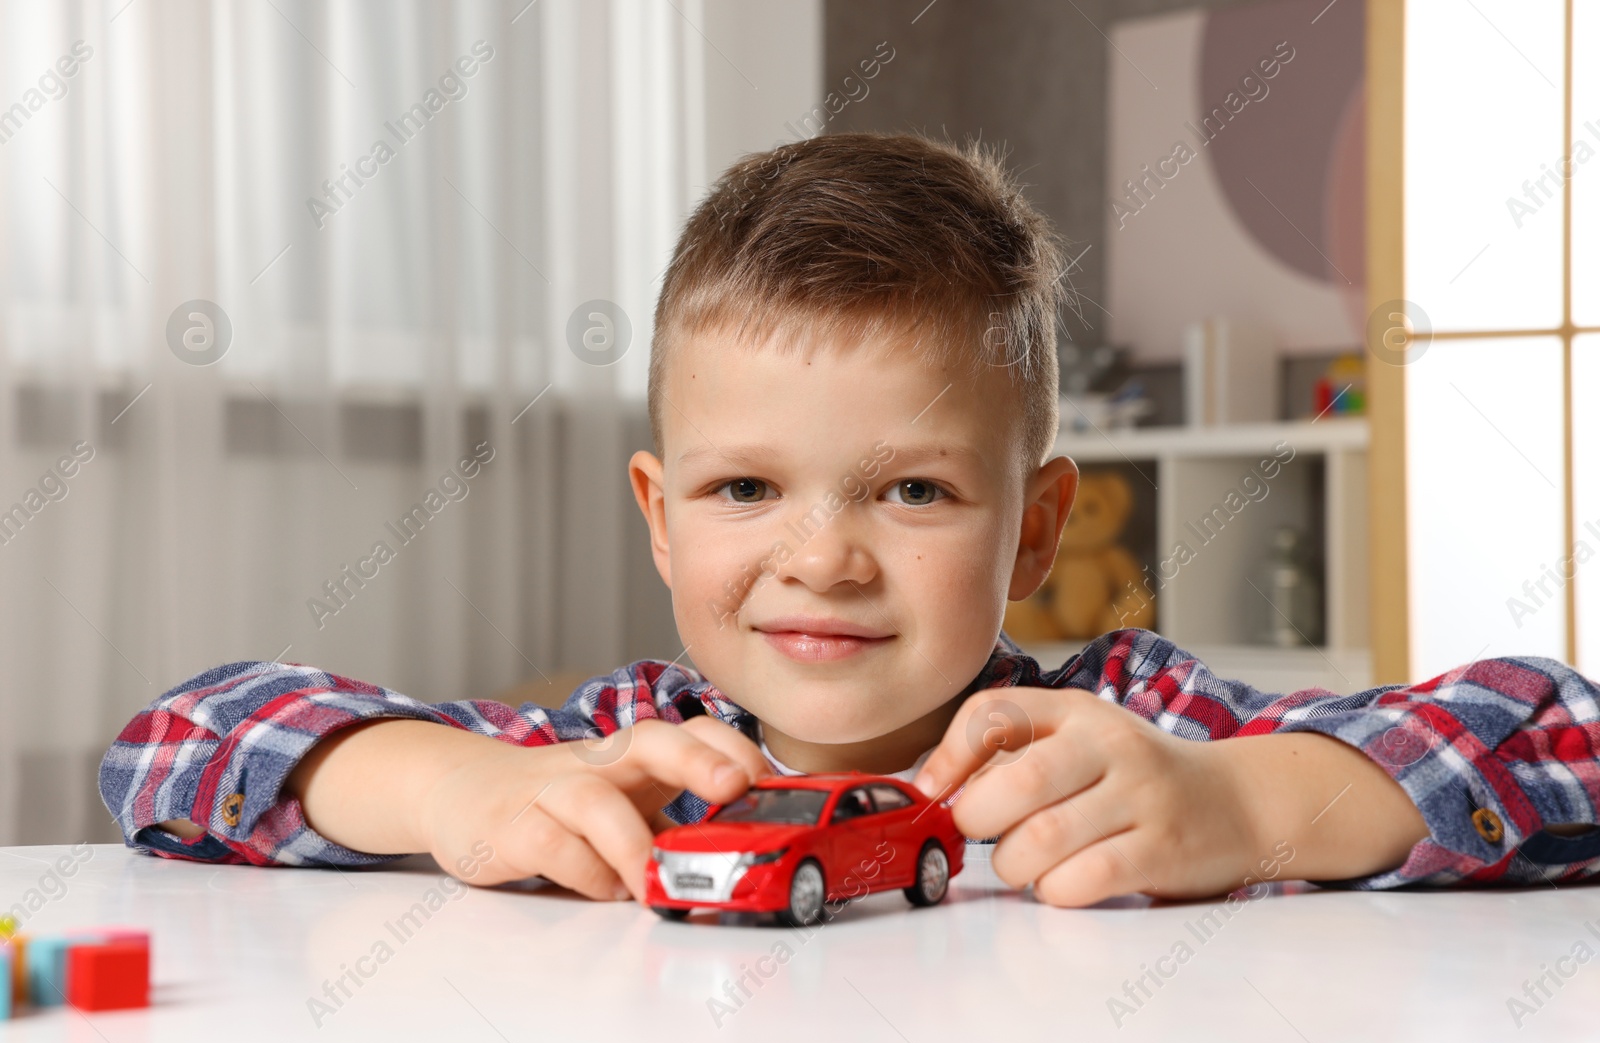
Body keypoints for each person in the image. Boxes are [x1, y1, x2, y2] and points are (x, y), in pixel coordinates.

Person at [100, 132, 1600, 908]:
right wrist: (459, 799)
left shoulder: (1139, 734)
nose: (821, 557)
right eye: (745, 489)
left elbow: (1563, 740)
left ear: (1033, 530)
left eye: (914, 490)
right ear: (660, 517)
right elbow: (175, 742)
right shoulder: (623, 757)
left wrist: (1247, 810)